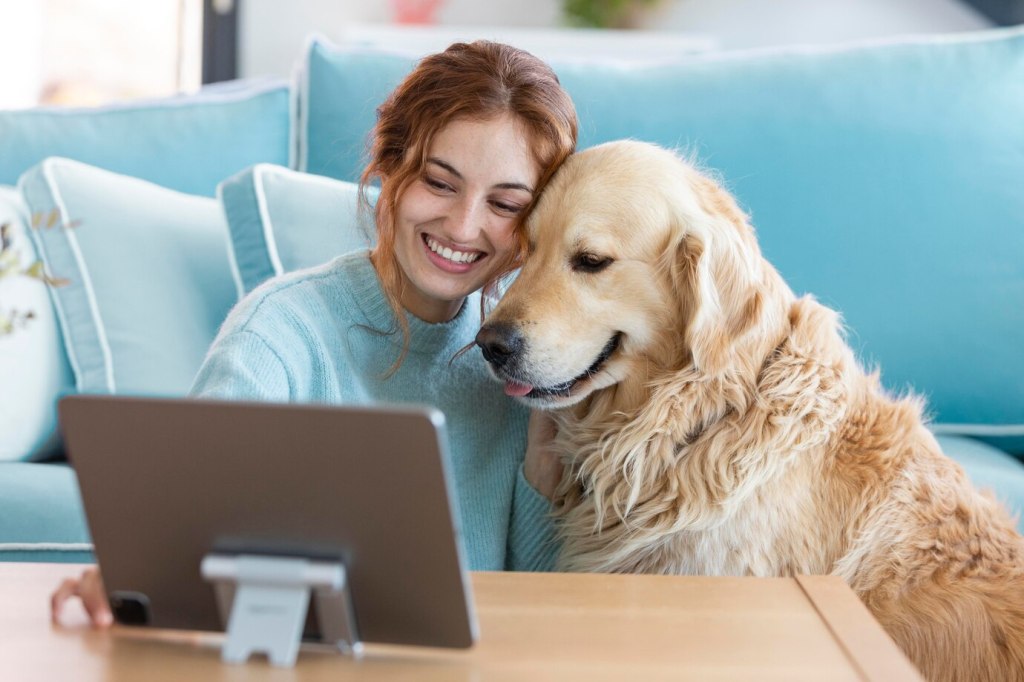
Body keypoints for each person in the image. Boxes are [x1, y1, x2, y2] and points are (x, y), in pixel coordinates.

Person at [51, 40, 579, 628]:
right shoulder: (281, 328)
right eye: (439, 182)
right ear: (391, 169)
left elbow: (545, 602)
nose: (463, 225)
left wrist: (541, 465)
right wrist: (139, 568)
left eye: (505, 204)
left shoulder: (523, 357)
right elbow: (186, 510)